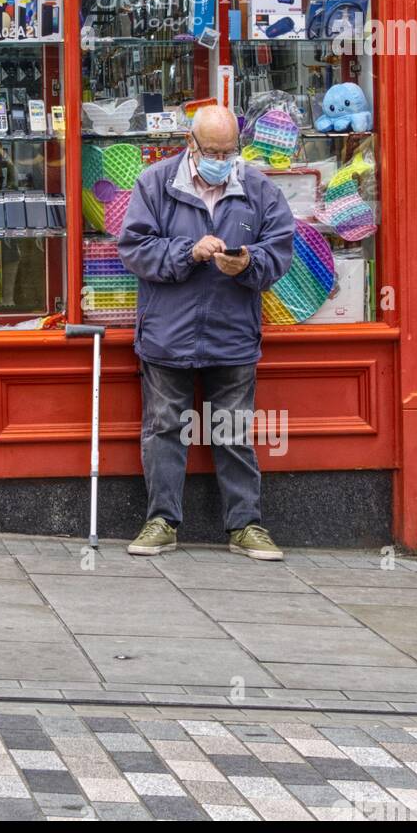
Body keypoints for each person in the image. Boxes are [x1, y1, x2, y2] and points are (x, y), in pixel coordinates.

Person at [116, 105, 295, 560]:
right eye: (212, 149)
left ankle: (246, 526)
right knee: (164, 429)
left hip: (232, 334)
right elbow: (134, 249)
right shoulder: (155, 183)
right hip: (167, 333)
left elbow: (280, 254)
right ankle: (161, 521)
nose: (221, 157)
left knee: (233, 431)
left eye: (229, 150)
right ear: (190, 145)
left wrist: (248, 263)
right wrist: (188, 252)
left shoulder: (258, 188)